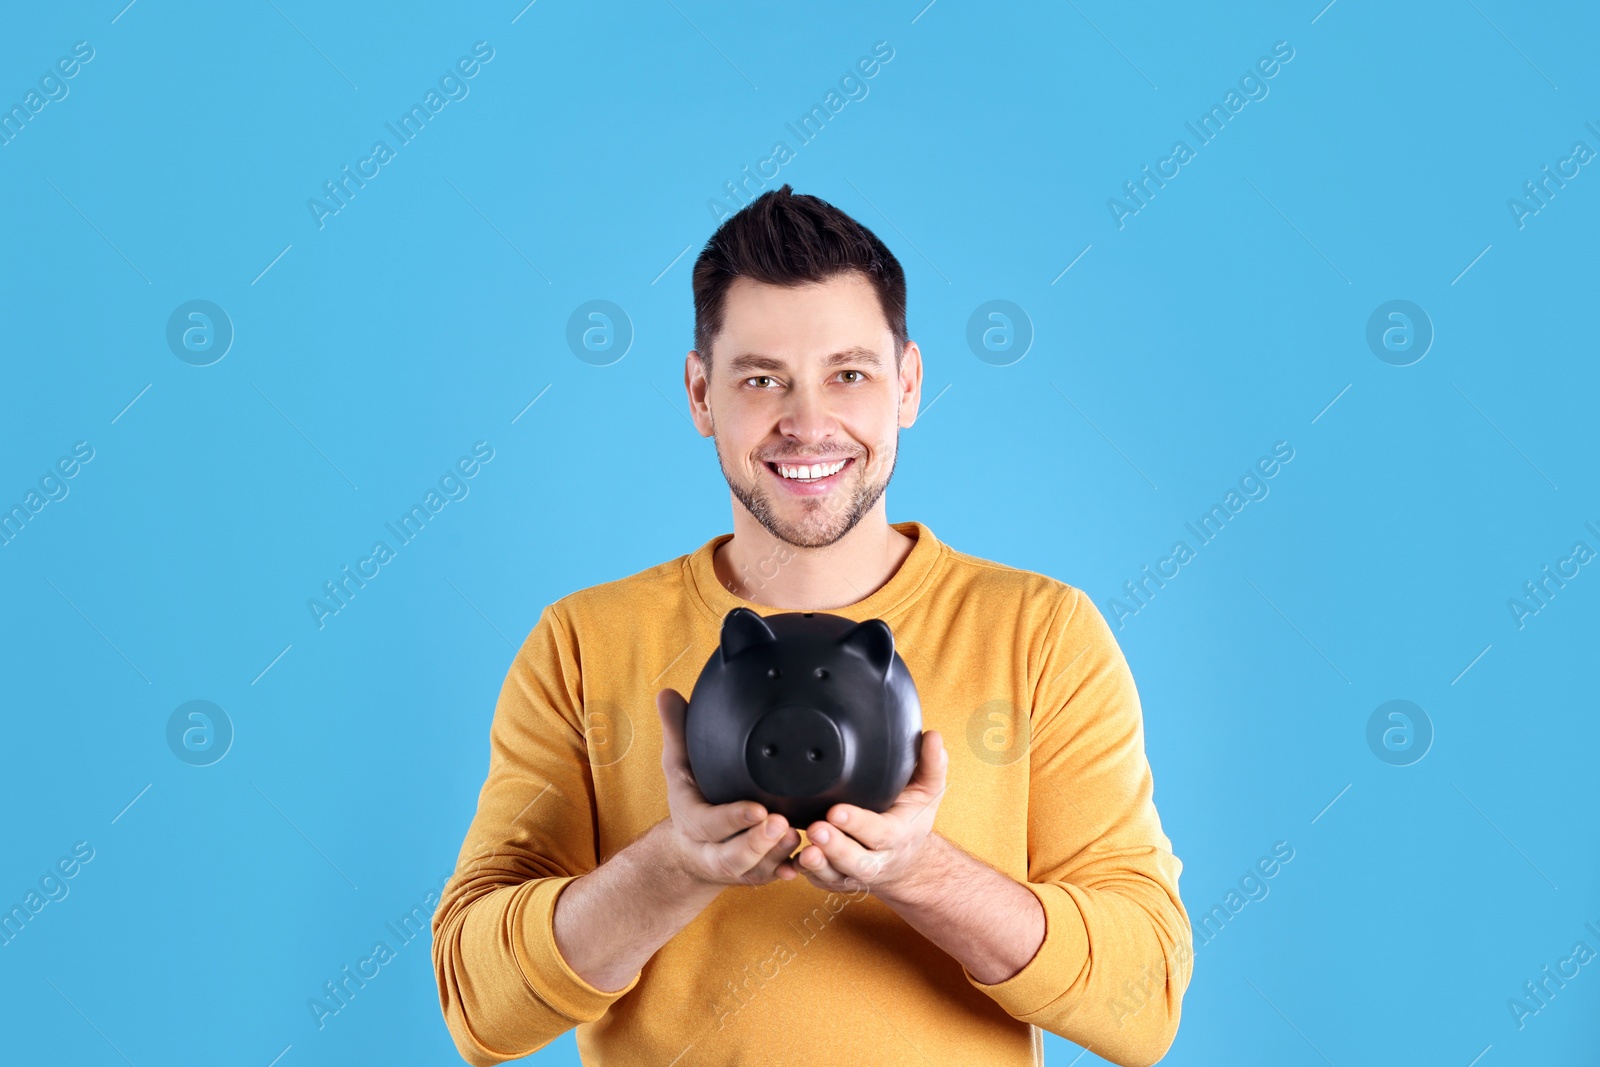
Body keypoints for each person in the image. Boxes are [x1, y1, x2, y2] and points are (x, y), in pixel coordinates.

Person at [431, 185, 1193, 1066]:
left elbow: (1146, 1004)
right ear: (699, 394)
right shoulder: (581, 642)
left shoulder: (1041, 633)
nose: (807, 423)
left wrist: (918, 872)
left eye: (849, 374)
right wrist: (672, 866)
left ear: (907, 384)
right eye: (762, 379)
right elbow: (478, 1011)